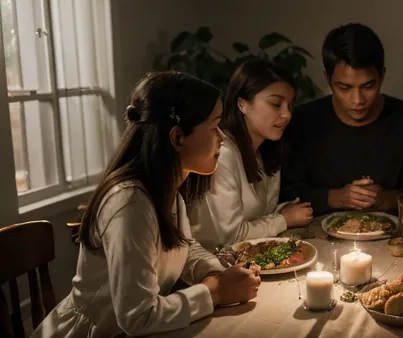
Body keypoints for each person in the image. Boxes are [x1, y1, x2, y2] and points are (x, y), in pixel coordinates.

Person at [32, 72, 262, 338]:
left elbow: (184, 249)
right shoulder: (129, 203)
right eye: (214, 126)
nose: (222, 137)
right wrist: (215, 291)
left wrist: (221, 274)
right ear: (178, 137)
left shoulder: (166, 189)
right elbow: (137, 316)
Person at [280, 23, 403, 220]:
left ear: (382, 76)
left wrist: (387, 199)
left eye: (368, 86)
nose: (358, 100)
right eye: (344, 88)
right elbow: (283, 197)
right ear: (328, 79)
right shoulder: (302, 121)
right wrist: (335, 198)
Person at [192, 60, 313, 251]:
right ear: (242, 103)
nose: (287, 114)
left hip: (251, 260)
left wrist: (282, 211)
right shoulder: (222, 154)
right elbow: (230, 236)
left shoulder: (268, 149)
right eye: (276, 104)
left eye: (290, 105)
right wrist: (283, 219)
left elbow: (260, 216)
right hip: (213, 265)